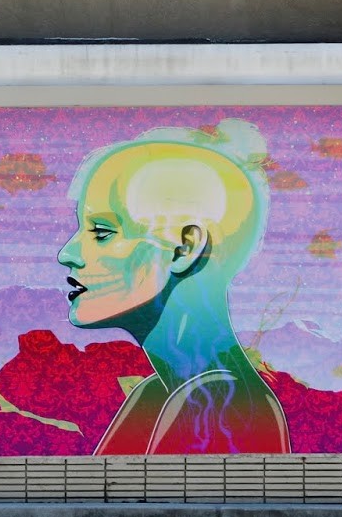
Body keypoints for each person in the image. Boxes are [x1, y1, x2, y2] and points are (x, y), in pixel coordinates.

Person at [57, 120, 290, 454]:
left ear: (184, 249)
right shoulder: (159, 392)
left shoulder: (220, 405)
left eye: (102, 232)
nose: (69, 253)